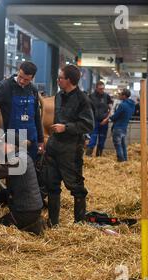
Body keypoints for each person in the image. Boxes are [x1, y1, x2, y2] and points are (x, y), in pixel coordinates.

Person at [43, 64, 94, 227]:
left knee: (76, 187)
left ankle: (79, 224)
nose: (58, 80)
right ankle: (53, 223)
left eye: (60, 78)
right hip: (53, 148)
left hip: (70, 150)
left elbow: (88, 125)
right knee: (51, 186)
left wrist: (66, 127)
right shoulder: (58, 96)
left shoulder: (82, 99)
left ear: (70, 80)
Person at [0, 141, 45, 235]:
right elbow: (2, 168)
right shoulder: (22, 156)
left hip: (26, 211)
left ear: (11, 145)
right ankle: (32, 223)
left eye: (3, 144)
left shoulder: (17, 160)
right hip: (33, 207)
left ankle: (32, 227)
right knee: (0, 195)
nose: (0, 147)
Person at [0, 61, 44, 161]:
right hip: (13, 139)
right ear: (18, 71)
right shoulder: (5, 86)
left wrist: (40, 140)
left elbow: (37, 116)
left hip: (31, 137)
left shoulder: (33, 90)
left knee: (32, 170)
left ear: (32, 78)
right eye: (20, 77)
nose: (21, 81)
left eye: (26, 79)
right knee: (14, 170)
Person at [102, 89, 135, 162]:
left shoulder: (122, 105)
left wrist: (109, 118)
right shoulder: (132, 105)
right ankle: (125, 160)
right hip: (124, 127)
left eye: (120, 94)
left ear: (124, 96)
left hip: (118, 127)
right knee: (123, 145)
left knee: (118, 145)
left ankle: (121, 161)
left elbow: (116, 116)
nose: (119, 96)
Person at [85, 81, 113, 157]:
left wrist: (107, 119)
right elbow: (87, 109)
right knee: (92, 140)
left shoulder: (107, 96)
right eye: (100, 89)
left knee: (101, 140)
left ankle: (99, 156)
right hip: (94, 122)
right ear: (96, 88)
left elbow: (111, 109)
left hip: (104, 121)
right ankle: (88, 156)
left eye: (103, 89)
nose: (102, 90)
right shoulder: (90, 96)